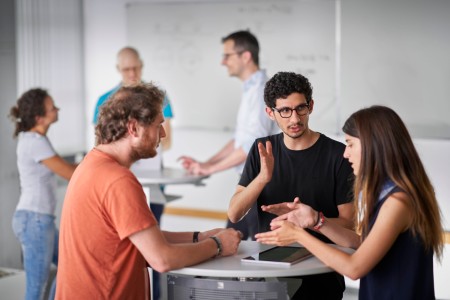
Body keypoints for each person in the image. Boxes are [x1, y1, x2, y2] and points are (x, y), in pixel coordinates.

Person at [56, 83, 241, 299]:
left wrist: (198, 237)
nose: (162, 134)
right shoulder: (118, 180)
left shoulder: (91, 165)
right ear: (133, 128)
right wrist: (218, 245)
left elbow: (140, 240)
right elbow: (161, 259)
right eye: (158, 125)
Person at [255, 105, 445, 300]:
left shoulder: (398, 202)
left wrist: (299, 235)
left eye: (350, 144)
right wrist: (316, 221)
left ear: (374, 145)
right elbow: (363, 244)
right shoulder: (390, 195)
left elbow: (354, 268)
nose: (345, 153)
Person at [228, 71, 354, 299]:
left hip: (322, 274)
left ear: (311, 106)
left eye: (300, 109)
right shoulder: (262, 149)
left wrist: (313, 220)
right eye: (285, 111)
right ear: (270, 113)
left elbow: (349, 224)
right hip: (268, 274)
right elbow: (235, 213)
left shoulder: (338, 155)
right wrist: (262, 178)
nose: (295, 119)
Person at [179, 30, 279, 240]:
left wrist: (210, 168)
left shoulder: (261, 90)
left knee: (241, 245)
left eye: (227, 55)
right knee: (231, 239)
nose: (223, 62)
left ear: (245, 56)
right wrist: (206, 164)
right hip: (250, 183)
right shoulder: (250, 89)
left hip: (260, 186)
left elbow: (253, 145)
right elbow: (239, 140)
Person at [92, 46, 174, 299]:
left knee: (152, 243)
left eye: (136, 67)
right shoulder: (115, 180)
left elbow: (166, 139)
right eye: (127, 69)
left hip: (151, 183)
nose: (132, 73)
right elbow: (102, 142)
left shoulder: (158, 99)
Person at [8, 88, 78, 300]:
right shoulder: (34, 142)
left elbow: (66, 166)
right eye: (52, 107)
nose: (57, 109)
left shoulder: (35, 139)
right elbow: (69, 173)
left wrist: (91, 164)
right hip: (34, 220)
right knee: (36, 290)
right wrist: (99, 163)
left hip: (38, 220)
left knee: (70, 265)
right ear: (39, 117)